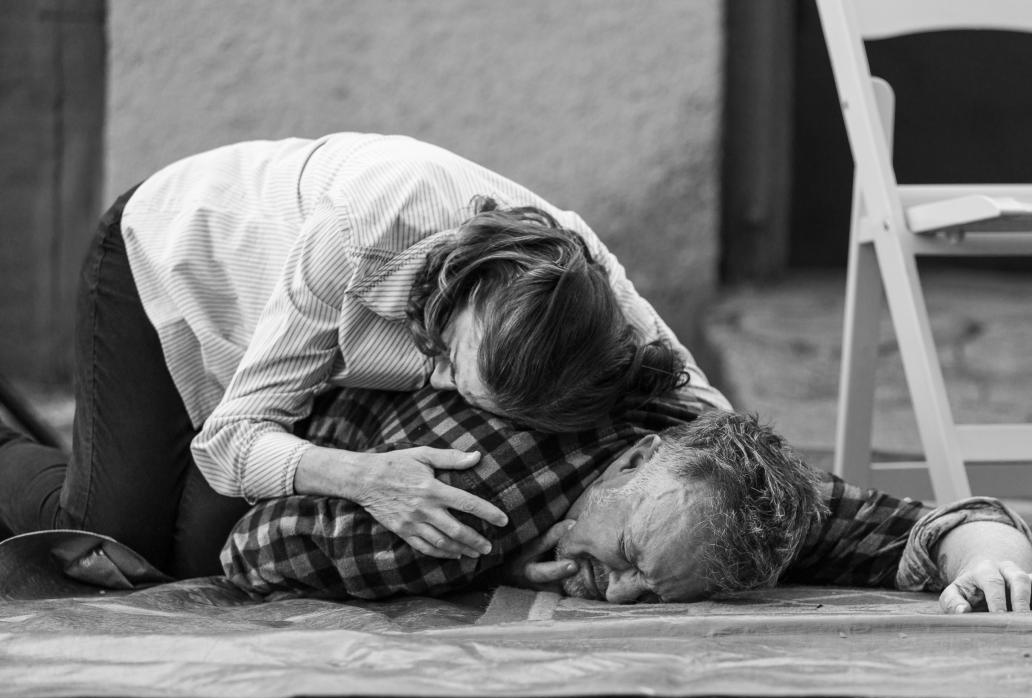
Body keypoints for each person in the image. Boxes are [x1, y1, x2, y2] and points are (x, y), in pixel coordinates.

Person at [0, 133, 727, 578]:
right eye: (452, 373)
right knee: (111, 541)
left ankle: (129, 451)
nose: (438, 389)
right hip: (169, 260)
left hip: (280, 349)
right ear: (450, 312)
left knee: (195, 555)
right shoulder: (357, 237)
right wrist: (368, 479)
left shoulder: (583, 283)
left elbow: (708, 417)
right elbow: (231, 444)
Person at [224, 386, 1032, 614]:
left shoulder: (727, 486)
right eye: (629, 558)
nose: (618, 594)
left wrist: (995, 569)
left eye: (653, 590)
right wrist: (470, 563)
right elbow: (235, 549)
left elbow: (945, 523)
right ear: (629, 462)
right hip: (210, 322)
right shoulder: (467, 504)